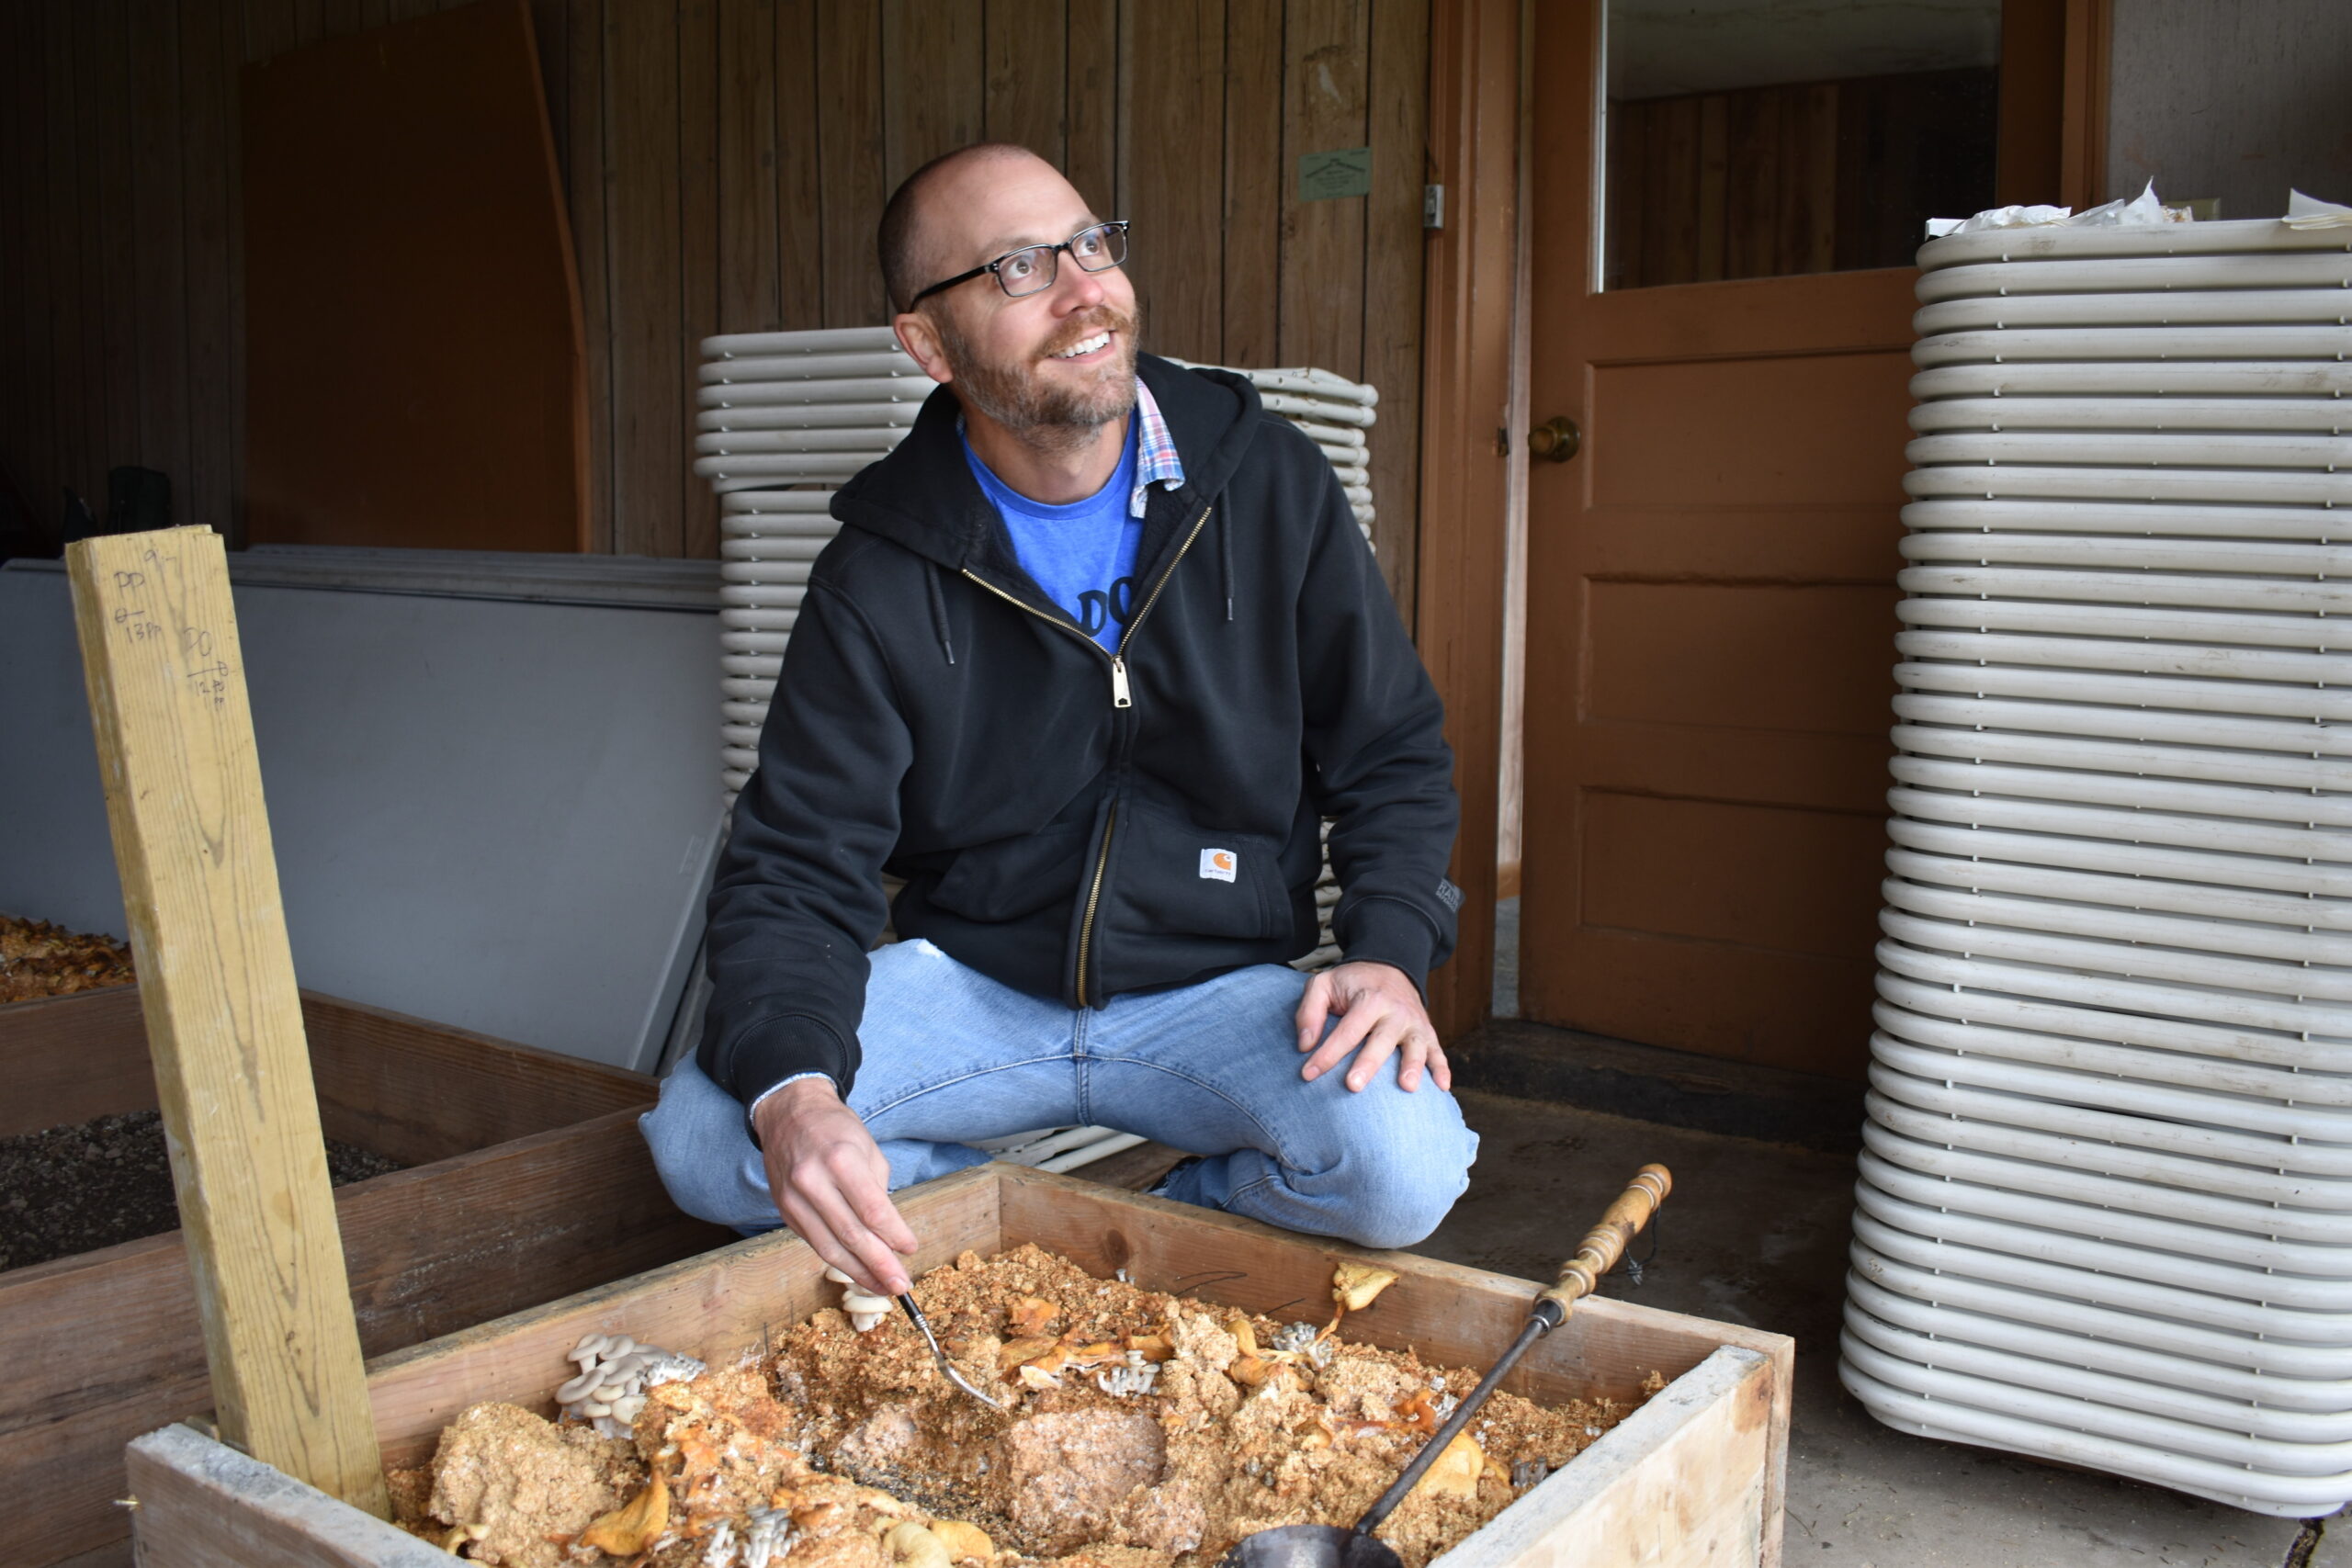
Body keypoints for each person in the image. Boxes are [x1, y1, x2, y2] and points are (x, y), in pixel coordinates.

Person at [642, 142, 1475, 1295]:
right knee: (708, 1139)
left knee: (1401, 1168)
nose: (1086, 291)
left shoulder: (1269, 487)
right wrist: (798, 1095)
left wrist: (1386, 954)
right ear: (927, 344)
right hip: (973, 986)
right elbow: (794, 865)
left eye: (1091, 243)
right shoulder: (878, 574)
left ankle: (1067, 1247)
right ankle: (1044, 1247)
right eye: (1019, 267)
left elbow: (1389, 752)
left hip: (1216, 994)